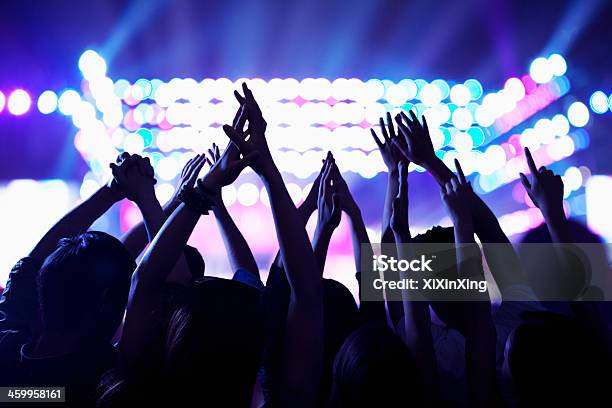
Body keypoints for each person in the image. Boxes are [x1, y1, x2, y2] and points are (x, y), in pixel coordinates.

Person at [0, 154, 158, 406]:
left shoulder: (7, 346)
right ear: (106, 304)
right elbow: (152, 279)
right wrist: (156, 201)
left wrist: (111, 191)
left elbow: (32, 264)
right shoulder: (102, 382)